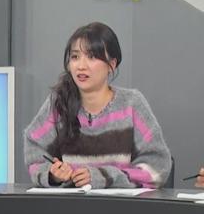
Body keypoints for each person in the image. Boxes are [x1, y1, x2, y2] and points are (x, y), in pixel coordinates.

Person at [24, 22, 171, 188]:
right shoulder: (58, 103)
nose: (81, 66)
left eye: (92, 57)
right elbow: (34, 152)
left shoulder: (131, 104)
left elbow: (158, 167)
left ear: (112, 64)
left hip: (119, 204)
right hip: (70, 203)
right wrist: (52, 174)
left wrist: (105, 177)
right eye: (75, 57)